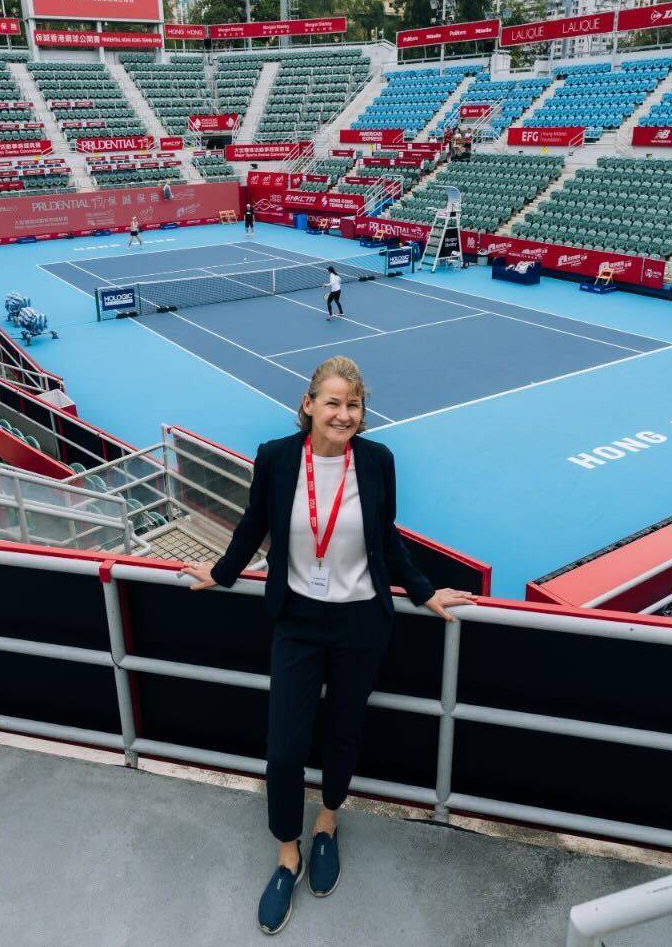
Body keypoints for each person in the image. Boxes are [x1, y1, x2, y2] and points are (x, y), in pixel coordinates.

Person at [180, 358, 473, 936]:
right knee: (285, 751)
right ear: (308, 404)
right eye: (333, 402)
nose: (344, 415)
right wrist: (222, 571)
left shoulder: (380, 461)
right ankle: (287, 852)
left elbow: (386, 537)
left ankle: (328, 824)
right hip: (297, 621)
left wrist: (422, 590)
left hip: (362, 622)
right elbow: (254, 523)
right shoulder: (277, 457)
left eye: (354, 405)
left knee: (343, 730)